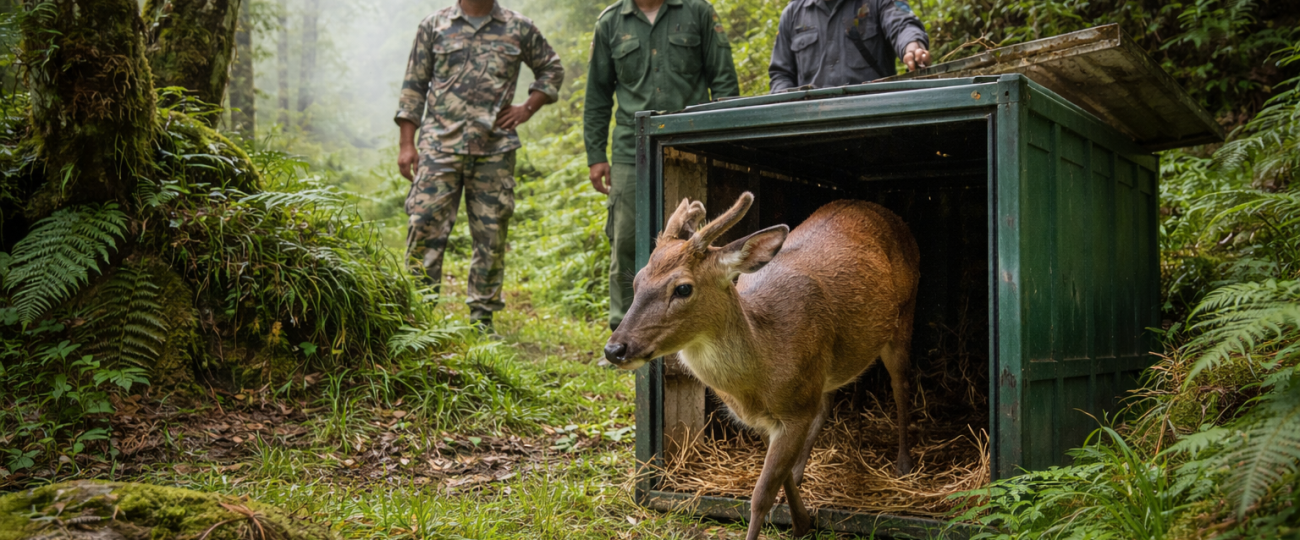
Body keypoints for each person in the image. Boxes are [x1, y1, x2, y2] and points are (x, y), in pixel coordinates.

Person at [395, 0, 563, 333]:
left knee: (490, 237)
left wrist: (527, 108)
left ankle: (482, 319)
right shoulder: (434, 26)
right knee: (424, 226)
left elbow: (552, 69)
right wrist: (406, 144)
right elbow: (414, 85)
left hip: (494, 151)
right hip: (438, 149)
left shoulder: (519, 27)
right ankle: (417, 314)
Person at [584, 0, 740, 331]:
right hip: (632, 150)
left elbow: (724, 81)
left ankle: (711, 328)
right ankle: (623, 330)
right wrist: (595, 154)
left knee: (699, 240)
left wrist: (726, 142)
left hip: (694, 145)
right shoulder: (611, 22)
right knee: (626, 240)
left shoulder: (697, 12)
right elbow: (597, 95)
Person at [769, 0, 930, 93]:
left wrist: (912, 49)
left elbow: (903, 25)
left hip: (874, 116)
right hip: (813, 123)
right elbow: (781, 74)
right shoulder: (792, 14)